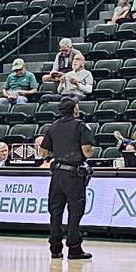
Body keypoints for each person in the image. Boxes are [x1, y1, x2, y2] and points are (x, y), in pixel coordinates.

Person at [36, 98, 94, 260]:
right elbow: (87, 151)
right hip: (73, 174)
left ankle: (55, 248)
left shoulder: (52, 127)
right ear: (74, 110)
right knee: (75, 212)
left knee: (55, 211)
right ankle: (74, 247)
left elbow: (44, 153)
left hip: (56, 174)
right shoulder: (81, 126)